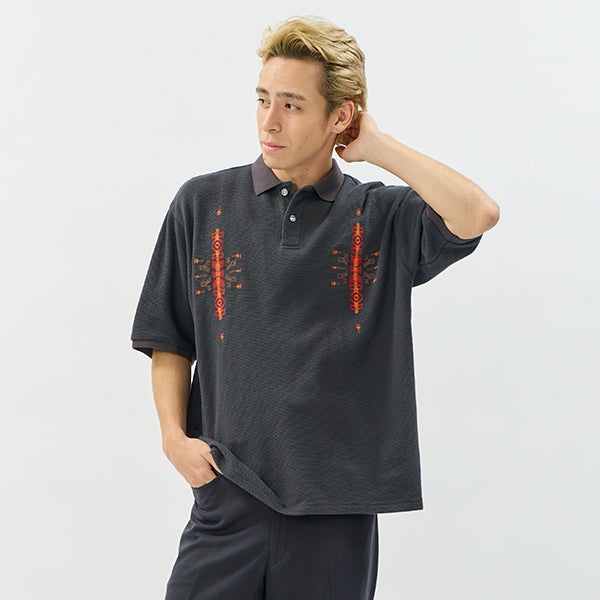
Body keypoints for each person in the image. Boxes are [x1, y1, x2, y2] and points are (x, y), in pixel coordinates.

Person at [131, 15, 499, 600]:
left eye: (293, 105)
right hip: (228, 495)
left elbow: (477, 213)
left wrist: (376, 146)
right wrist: (174, 438)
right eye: (263, 100)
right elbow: (168, 336)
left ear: (340, 116)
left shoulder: (383, 217)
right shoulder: (202, 203)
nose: (270, 122)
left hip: (338, 510)